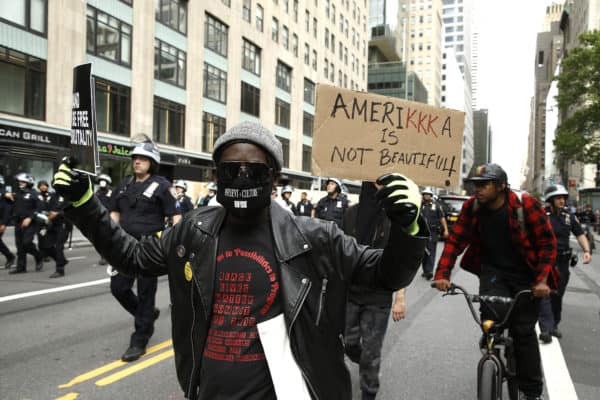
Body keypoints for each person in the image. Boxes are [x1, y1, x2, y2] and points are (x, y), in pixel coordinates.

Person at [53, 121, 428, 400]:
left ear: (275, 177)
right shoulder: (192, 233)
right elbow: (133, 256)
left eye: (255, 171)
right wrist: (87, 206)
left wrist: (407, 229)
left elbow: (384, 274)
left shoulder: (314, 237)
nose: (243, 178)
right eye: (232, 170)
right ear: (216, 175)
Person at [432, 163, 557, 400]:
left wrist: (541, 280)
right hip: (493, 272)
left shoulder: (525, 204)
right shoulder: (473, 206)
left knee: (523, 332)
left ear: (501, 186)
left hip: (527, 275)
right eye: (475, 185)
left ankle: (532, 392)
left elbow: (547, 244)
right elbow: (456, 239)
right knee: (490, 321)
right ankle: (493, 346)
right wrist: (443, 274)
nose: (477, 189)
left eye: (484, 185)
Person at [108, 138, 181, 362]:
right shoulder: (123, 184)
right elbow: (114, 214)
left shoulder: (162, 186)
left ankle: (139, 339)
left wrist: (177, 246)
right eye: (135, 158)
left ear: (152, 162)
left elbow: (176, 218)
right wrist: (109, 240)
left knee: (145, 293)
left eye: (142, 158)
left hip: (149, 247)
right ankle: (147, 314)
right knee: (118, 288)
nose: (137, 161)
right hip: (124, 245)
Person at [342, 182, 408, 400]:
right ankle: (367, 365)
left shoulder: (394, 219)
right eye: (372, 185)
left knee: (371, 352)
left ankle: (369, 389)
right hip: (351, 292)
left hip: (378, 295)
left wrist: (400, 297)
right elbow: (338, 249)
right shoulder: (351, 214)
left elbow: (401, 261)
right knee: (349, 344)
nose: (377, 190)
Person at [538, 184, 591, 343]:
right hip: (547, 261)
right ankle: (546, 329)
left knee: (557, 295)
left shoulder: (569, 216)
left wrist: (587, 250)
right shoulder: (543, 215)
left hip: (563, 261)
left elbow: (579, 234)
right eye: (558, 198)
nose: (562, 200)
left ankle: (554, 325)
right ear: (551, 200)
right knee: (545, 293)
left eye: (563, 198)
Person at [8, 173, 43, 274]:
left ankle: (38, 256)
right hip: (18, 222)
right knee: (19, 246)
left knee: (26, 243)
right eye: (19, 182)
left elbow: (39, 208)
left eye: (22, 182)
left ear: (29, 182)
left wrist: (30, 218)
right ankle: (21, 267)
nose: (20, 183)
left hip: (30, 223)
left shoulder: (35, 193)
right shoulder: (18, 193)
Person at [36, 180, 69, 278]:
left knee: (59, 247)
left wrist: (59, 213)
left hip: (63, 224)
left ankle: (60, 270)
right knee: (46, 246)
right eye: (55, 185)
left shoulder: (68, 196)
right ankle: (61, 261)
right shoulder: (52, 196)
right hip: (51, 224)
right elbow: (48, 208)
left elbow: (71, 209)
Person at [419, 187, 449, 280]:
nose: (426, 196)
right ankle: (425, 270)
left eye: (428, 194)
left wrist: (446, 230)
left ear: (431, 196)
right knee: (423, 252)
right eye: (425, 194)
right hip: (421, 232)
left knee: (431, 251)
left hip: (433, 232)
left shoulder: (436, 206)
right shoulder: (420, 205)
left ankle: (430, 271)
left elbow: (442, 218)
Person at [95, 174, 113, 266]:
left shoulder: (113, 194)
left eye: (103, 182)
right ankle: (103, 256)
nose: (101, 184)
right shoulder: (97, 194)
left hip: (111, 220)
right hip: (99, 220)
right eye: (100, 182)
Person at [0, 175, 16, 268]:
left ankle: (10, 256)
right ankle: (9, 256)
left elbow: (7, 210)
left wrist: (4, 223)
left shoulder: (5, 194)